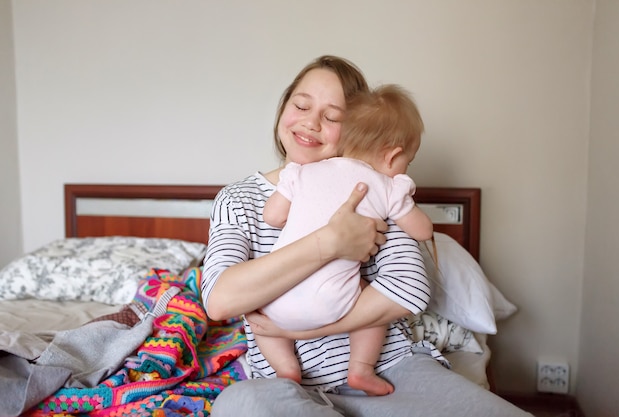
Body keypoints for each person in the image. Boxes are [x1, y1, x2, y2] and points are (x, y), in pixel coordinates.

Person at [201, 55, 532, 417]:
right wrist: (329, 243)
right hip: (285, 388)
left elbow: (410, 289)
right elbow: (220, 299)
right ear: (284, 109)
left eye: (332, 117)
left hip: (389, 371)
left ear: (359, 129)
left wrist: (306, 331)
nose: (311, 122)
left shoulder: (370, 189)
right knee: (237, 404)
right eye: (301, 105)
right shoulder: (239, 200)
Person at [256, 84, 434, 396]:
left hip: (275, 301)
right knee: (370, 301)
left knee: (254, 309)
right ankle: (361, 369)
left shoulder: (303, 172)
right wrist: (406, 194)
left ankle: (285, 369)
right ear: (393, 156)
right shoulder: (386, 187)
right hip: (330, 303)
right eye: (410, 160)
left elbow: (271, 216)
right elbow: (423, 232)